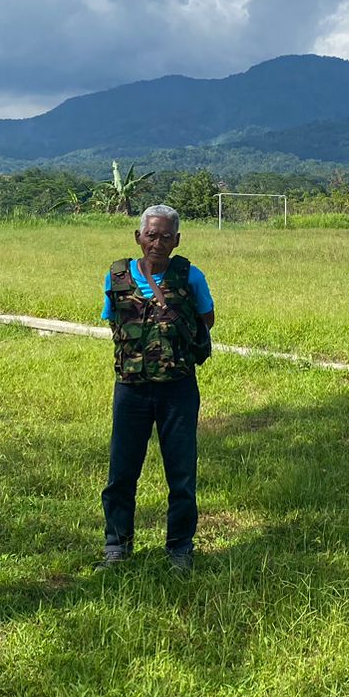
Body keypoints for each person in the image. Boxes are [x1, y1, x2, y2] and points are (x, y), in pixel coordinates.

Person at [98, 204, 215, 573]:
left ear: (177, 240)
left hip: (177, 389)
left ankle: (180, 548)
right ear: (138, 237)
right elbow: (110, 319)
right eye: (151, 235)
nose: (157, 243)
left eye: (166, 236)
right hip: (130, 388)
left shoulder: (189, 276)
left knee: (181, 472)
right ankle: (117, 545)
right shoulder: (116, 276)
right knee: (122, 471)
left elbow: (205, 320)